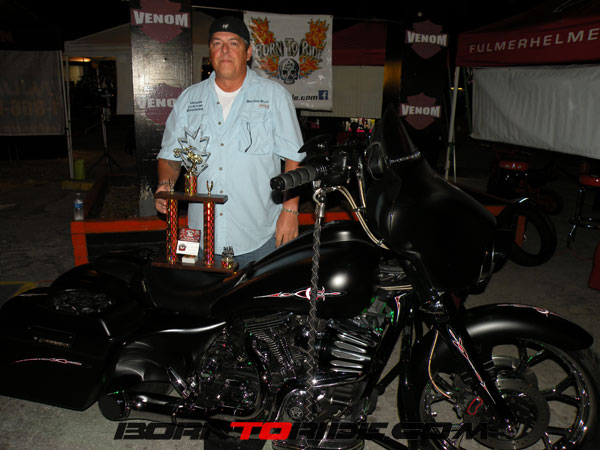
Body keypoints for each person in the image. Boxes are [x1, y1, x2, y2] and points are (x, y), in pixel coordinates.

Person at [155, 16, 304, 268]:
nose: (225, 50)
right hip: (201, 238)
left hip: (259, 236)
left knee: (259, 295)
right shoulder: (189, 100)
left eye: (233, 43)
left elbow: (294, 157)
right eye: (217, 43)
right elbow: (170, 156)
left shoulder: (274, 96)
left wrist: (290, 211)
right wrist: (165, 184)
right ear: (210, 51)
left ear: (248, 52)